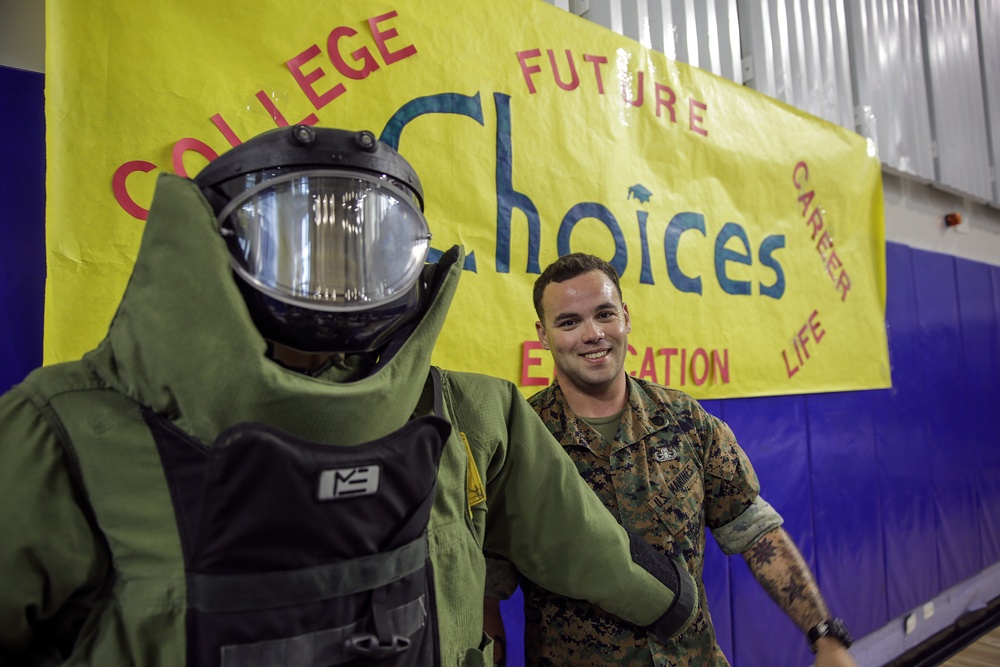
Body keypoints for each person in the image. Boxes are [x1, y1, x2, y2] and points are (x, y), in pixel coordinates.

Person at [0, 128, 700, 666]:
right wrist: (673, 598)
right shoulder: (65, 432)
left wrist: (663, 595)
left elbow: (578, 537)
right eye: (295, 241)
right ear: (219, 247)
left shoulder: (473, 412)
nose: (332, 275)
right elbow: (584, 541)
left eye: (366, 246)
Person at [484, 253, 859, 667]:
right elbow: (485, 587)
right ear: (543, 334)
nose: (593, 334)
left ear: (625, 316)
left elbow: (756, 533)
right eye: (569, 322)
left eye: (604, 314)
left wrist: (825, 636)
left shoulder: (686, 421)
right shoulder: (521, 442)